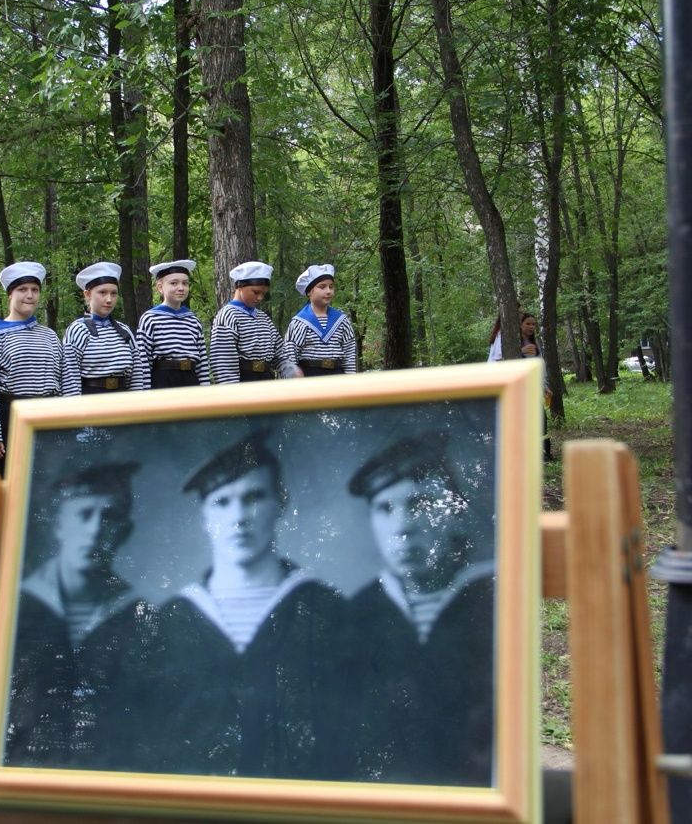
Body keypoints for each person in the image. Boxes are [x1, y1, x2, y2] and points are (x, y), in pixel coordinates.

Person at [154, 431, 348, 779]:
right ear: (204, 517)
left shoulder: (324, 608)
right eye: (221, 502)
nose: (239, 516)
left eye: (254, 497)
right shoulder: (173, 617)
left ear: (280, 503)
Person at [345, 431, 495, 786]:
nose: (402, 527)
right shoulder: (355, 614)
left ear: (452, 512)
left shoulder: (489, 595)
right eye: (385, 508)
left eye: (418, 504)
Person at [4, 461, 161, 770]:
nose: (95, 529)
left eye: (109, 517)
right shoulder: (20, 604)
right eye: (83, 514)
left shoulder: (137, 613)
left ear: (124, 530)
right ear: (59, 524)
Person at [0, 262, 80, 476]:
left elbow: (66, 381)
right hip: (12, 419)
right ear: (10, 295)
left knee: (50, 484)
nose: (30, 295)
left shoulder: (50, 335)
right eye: (22, 290)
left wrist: (72, 422)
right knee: (13, 485)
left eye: (34, 290)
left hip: (50, 419)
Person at [208, 261, 300, 384]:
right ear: (239, 286)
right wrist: (230, 393)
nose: (260, 298)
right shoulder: (228, 316)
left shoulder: (264, 319)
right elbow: (223, 362)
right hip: (242, 382)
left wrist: (290, 370)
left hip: (266, 381)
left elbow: (280, 353)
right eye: (256, 292)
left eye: (263, 294)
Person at [62, 262, 146, 394]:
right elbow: (70, 378)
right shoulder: (78, 330)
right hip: (91, 403)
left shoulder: (125, 331)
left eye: (113, 293)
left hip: (124, 402)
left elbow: (137, 376)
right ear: (87, 294)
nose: (109, 299)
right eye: (102, 292)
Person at [136, 260, 209, 388]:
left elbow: (202, 361)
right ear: (160, 287)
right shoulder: (150, 318)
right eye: (174, 283)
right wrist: (145, 394)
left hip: (190, 379)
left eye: (185, 283)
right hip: (163, 380)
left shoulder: (193, 320)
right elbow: (143, 360)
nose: (181, 288)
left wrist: (205, 389)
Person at [284, 264, 357, 375]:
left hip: (337, 376)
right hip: (310, 376)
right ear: (309, 292)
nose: (328, 291)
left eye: (331, 287)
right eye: (322, 287)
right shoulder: (299, 322)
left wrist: (350, 379)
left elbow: (349, 353)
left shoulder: (342, 321)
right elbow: (290, 354)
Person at [517, 312, 554, 461]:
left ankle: (545, 453)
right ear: (520, 325)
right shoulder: (514, 343)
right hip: (521, 390)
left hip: (535, 388)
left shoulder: (535, 343)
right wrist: (520, 352)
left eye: (533, 324)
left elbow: (540, 366)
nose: (531, 327)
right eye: (528, 323)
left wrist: (545, 386)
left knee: (541, 420)